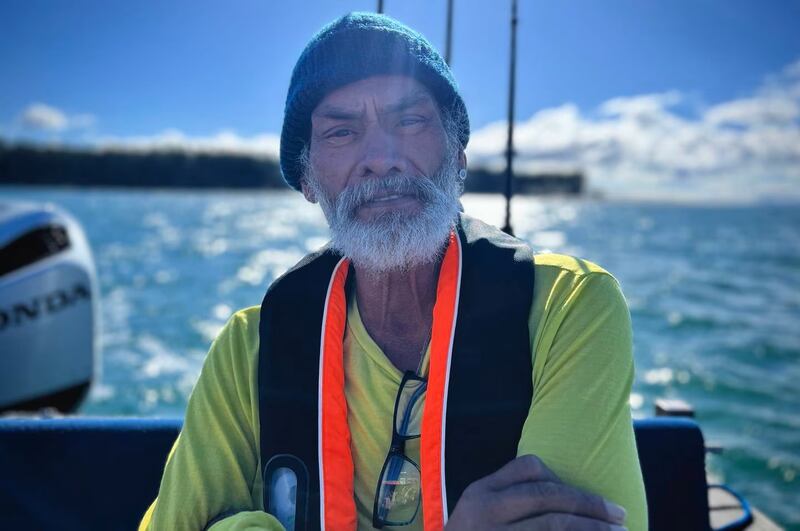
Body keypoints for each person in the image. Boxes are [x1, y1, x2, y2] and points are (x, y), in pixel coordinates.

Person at [140, 12, 647, 531]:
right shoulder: (251, 349)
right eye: (341, 132)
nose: (382, 158)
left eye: (410, 121)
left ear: (459, 155)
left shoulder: (569, 309)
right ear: (309, 179)